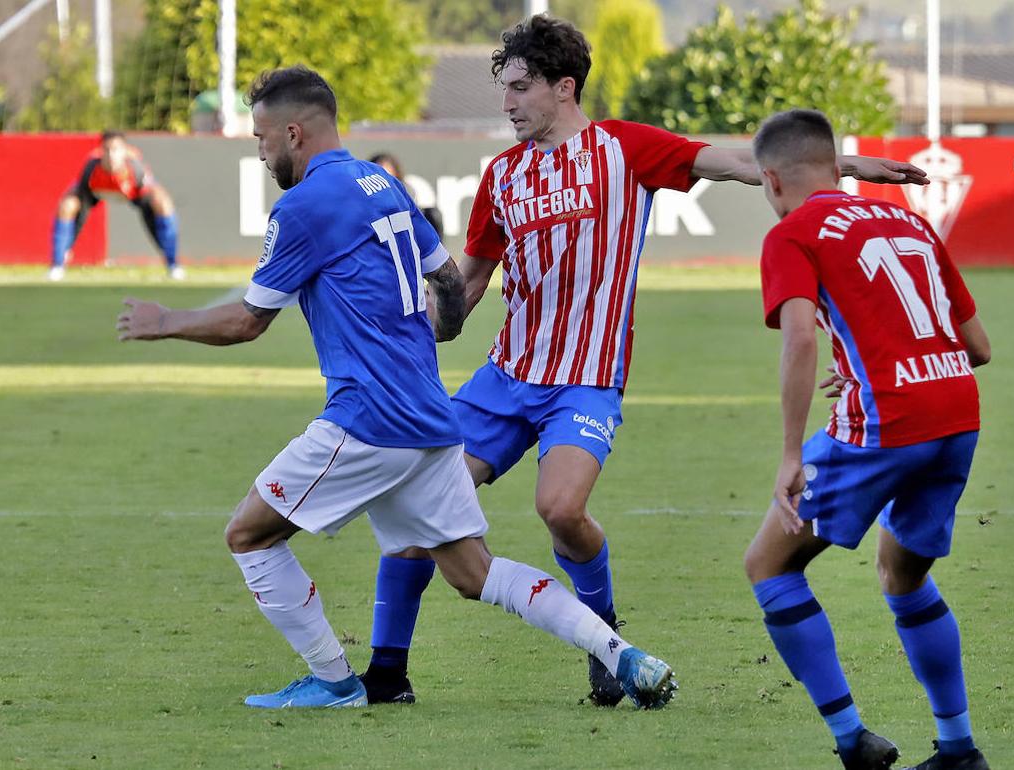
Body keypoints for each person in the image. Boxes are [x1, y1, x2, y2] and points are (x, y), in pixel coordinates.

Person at [360, 14, 931, 708]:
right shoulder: (502, 177)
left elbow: (738, 164)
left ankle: (603, 638)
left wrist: (844, 167)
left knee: (561, 510)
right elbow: (469, 287)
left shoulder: (624, 149)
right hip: (504, 379)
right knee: (422, 500)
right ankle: (387, 673)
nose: (506, 103)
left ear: (563, 86)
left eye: (518, 88)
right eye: (504, 89)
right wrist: (413, 327)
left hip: (586, 381)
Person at [116, 65, 677, 710]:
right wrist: (420, 339)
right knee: (476, 573)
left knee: (248, 534)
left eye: (262, 136)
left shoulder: (301, 206)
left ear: (294, 133)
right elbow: (445, 277)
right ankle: (620, 652)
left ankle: (333, 680)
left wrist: (167, 322)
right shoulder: (384, 184)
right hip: (432, 422)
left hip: (365, 421)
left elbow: (248, 321)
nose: (260, 149)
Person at [744, 109, 991, 770]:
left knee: (768, 565)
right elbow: (978, 347)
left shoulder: (793, 233)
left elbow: (800, 336)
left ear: (770, 180)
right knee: (902, 574)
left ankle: (854, 740)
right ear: (837, 165)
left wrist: (792, 454)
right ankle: (960, 747)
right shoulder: (910, 222)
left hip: (888, 420)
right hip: (956, 410)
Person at [49, 130, 184, 281]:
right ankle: (57, 264)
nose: (111, 155)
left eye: (116, 149)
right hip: (97, 192)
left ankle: (173, 264)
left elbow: (151, 195)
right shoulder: (91, 167)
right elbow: (81, 204)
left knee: (163, 203)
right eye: (107, 150)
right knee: (67, 205)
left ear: (124, 151)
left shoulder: (136, 169)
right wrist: (69, 244)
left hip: (130, 193)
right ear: (101, 151)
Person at [368, 153, 445, 240]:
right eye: (379, 182)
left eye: (390, 179)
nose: (385, 186)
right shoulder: (367, 214)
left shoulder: (407, 201)